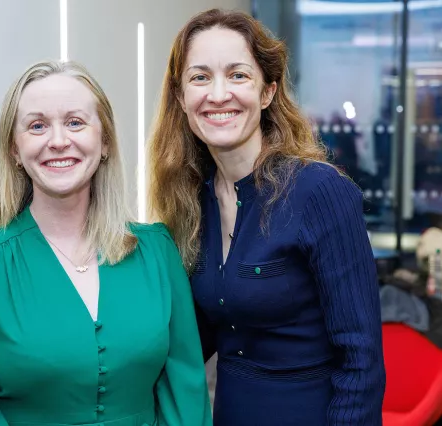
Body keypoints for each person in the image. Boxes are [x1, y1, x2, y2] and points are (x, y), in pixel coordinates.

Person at [0, 60, 212, 426]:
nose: (58, 141)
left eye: (75, 122)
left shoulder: (156, 253)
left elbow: (186, 399)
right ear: (15, 149)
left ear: (104, 140)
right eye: (37, 126)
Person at [147, 9, 386, 426]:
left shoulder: (319, 192)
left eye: (238, 75)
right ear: (181, 96)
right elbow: (190, 341)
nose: (218, 94)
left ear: (267, 92)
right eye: (200, 77)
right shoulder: (190, 201)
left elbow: (361, 360)